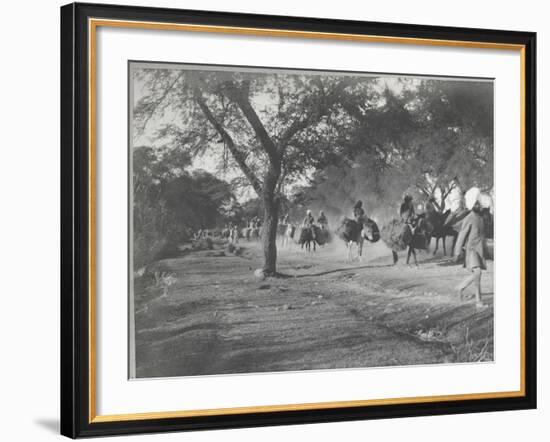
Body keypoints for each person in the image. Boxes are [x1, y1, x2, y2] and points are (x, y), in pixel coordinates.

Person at [454, 198, 487, 309]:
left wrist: (487, 251)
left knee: (477, 273)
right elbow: (462, 235)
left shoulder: (481, 218)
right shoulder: (469, 218)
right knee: (477, 272)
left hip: (479, 250)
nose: (480, 205)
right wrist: (457, 252)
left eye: (480, 203)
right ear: (473, 205)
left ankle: (460, 287)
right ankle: (478, 301)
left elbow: (482, 237)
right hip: (472, 250)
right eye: (477, 204)